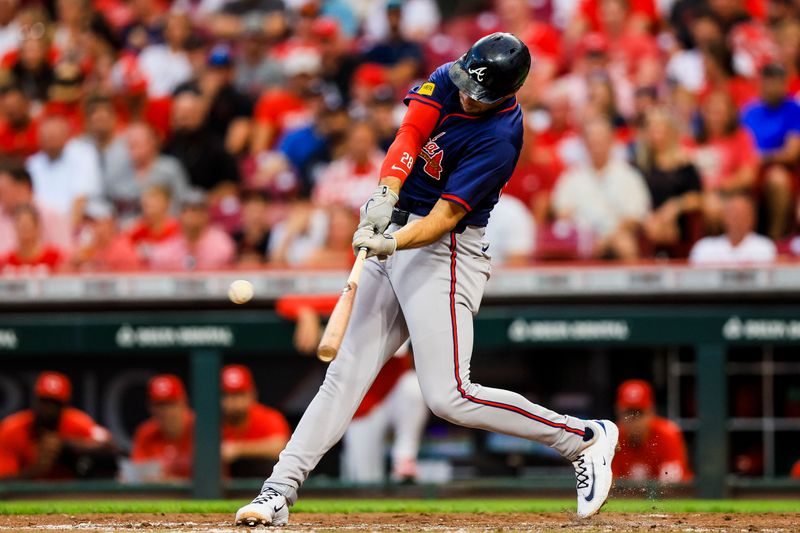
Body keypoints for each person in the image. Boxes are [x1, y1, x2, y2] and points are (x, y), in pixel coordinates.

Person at [236, 33, 618, 527]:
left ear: (505, 92)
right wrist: (384, 193)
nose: (464, 95)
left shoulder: (499, 138)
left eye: (476, 94)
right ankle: (278, 491)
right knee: (344, 376)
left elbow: (443, 219)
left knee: (449, 395)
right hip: (399, 225)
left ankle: (583, 439)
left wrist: (392, 243)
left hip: (445, 251)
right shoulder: (455, 74)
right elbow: (410, 136)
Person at [552, 116, 651, 260]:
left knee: (625, 245)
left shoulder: (629, 175)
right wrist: (587, 238)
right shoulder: (571, 177)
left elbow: (634, 217)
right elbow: (563, 213)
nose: (597, 144)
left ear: (611, 141)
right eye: (592, 140)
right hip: (581, 238)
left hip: (617, 236)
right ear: (585, 143)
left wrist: (606, 240)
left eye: (601, 140)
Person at [0, 371, 116, 479]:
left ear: (66, 405)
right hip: (27, 498)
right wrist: (36, 469)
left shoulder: (78, 422)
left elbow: (110, 446)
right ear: (34, 400)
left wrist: (65, 445)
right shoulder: (12, 428)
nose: (49, 409)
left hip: (71, 496)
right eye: (44, 401)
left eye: (56, 403)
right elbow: (3, 482)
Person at [741, 63, 800, 240]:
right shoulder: (749, 111)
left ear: (784, 84)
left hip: (780, 167)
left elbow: (791, 153)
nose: (771, 87)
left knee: (777, 180)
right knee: (740, 179)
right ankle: (743, 237)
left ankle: (776, 237)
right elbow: (739, 143)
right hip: (749, 166)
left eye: (776, 83)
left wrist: (763, 158)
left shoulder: (793, 110)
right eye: (767, 83)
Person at [26, 114, 102, 227]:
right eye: (45, 136)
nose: (49, 140)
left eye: (54, 136)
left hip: (80, 222)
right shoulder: (32, 164)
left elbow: (81, 199)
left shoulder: (83, 153)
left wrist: (67, 232)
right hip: (42, 226)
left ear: (66, 135)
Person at [613, 380, 691, 483]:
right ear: (618, 412)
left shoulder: (667, 433)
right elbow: (609, 488)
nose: (634, 419)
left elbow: (673, 487)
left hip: (662, 499)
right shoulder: (612, 438)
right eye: (629, 412)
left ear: (651, 412)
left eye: (640, 413)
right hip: (627, 498)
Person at [220, 364, 291, 478]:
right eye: (227, 395)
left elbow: (281, 447)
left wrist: (238, 449)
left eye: (239, 394)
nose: (233, 401)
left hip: (263, 485)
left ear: (252, 394)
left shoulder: (267, 417)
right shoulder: (210, 421)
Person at [148, 188, 235, 270]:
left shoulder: (222, 244)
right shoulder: (166, 249)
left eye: (197, 209)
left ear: (207, 214)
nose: (191, 214)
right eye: (186, 209)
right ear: (179, 214)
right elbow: (158, 256)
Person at [130, 374, 194, 480]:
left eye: (170, 404)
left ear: (183, 402)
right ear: (150, 407)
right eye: (159, 405)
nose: (165, 411)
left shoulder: (201, 428)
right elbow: (137, 476)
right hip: (159, 496)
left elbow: (211, 478)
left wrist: (169, 482)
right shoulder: (146, 433)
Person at [0, 165, 72, 258]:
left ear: (23, 188)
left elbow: (65, 257)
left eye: (3, 191)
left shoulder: (52, 216)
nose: (1, 197)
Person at [689, 190, 776, 264]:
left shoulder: (764, 247)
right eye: (733, 213)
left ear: (753, 218)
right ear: (723, 217)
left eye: (743, 214)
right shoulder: (704, 249)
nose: (738, 219)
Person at [2, 204, 64, 273]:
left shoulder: (55, 259)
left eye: (27, 226)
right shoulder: (5, 262)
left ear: (37, 227)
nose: (24, 231)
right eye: (21, 226)